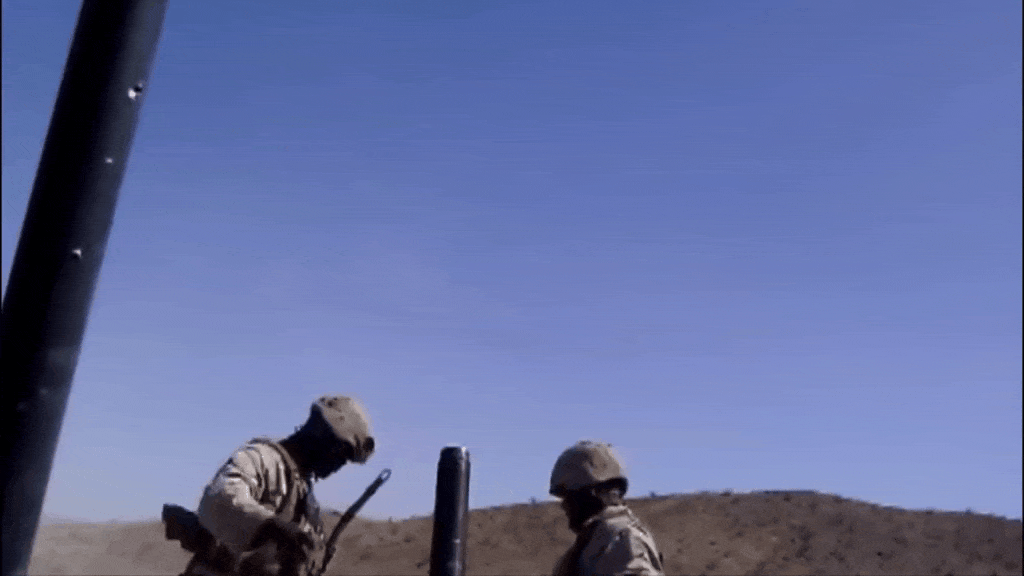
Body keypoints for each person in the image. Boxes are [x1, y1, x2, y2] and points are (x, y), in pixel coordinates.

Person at [179, 395, 375, 576]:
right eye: (340, 453)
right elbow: (221, 497)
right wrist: (273, 527)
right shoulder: (260, 459)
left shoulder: (306, 499)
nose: (338, 465)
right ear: (320, 434)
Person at [549, 440, 665, 576]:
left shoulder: (622, 539)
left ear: (590, 494)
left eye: (568, 496)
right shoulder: (597, 540)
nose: (564, 505)